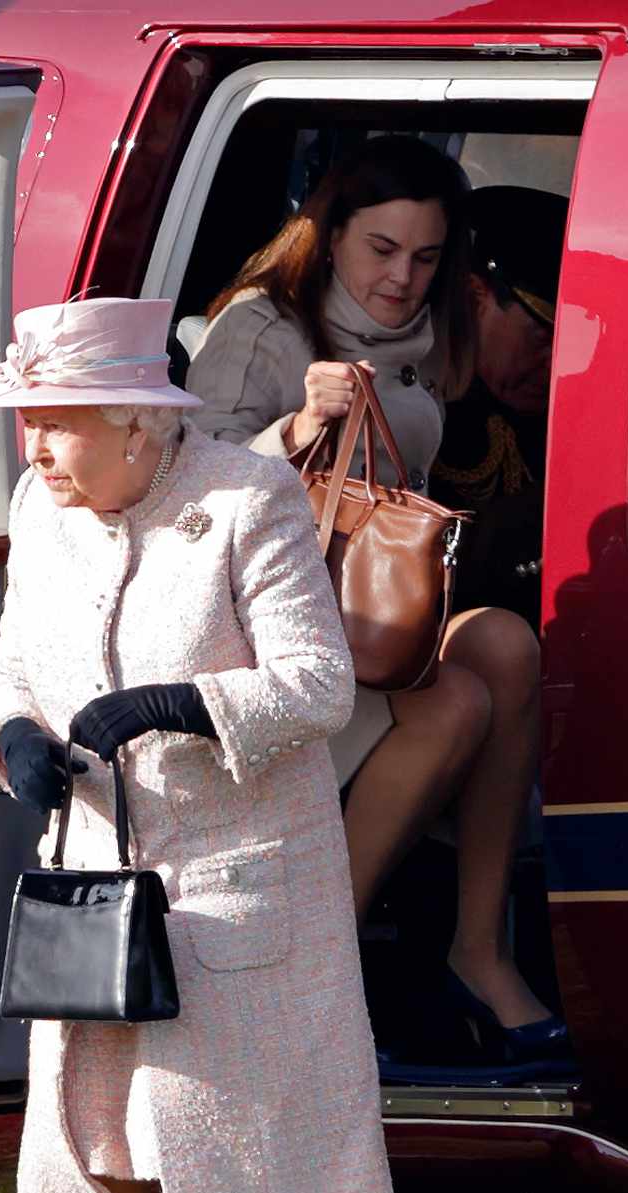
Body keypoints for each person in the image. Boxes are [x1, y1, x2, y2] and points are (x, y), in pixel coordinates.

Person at [0, 297, 392, 1193]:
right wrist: (12, 734)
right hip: (94, 872)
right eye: (29, 424)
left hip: (234, 863)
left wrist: (180, 704)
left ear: (136, 424)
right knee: (90, 1135)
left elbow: (318, 685)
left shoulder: (245, 497)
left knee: (201, 1128)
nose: (37, 450)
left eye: (57, 424)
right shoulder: (38, 506)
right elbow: (11, 659)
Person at [187, 137, 567, 1059]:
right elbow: (185, 497)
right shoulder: (264, 327)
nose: (401, 277)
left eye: (426, 256)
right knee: (452, 704)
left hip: (373, 619)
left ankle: (477, 950)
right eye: (381, 249)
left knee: (509, 647)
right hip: (270, 631)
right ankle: (308, 970)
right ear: (328, 235)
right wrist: (297, 424)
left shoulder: (432, 333)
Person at [430, 185, 569, 631]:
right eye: (543, 337)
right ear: (476, 298)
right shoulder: (416, 404)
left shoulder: (549, 418)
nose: (556, 362)